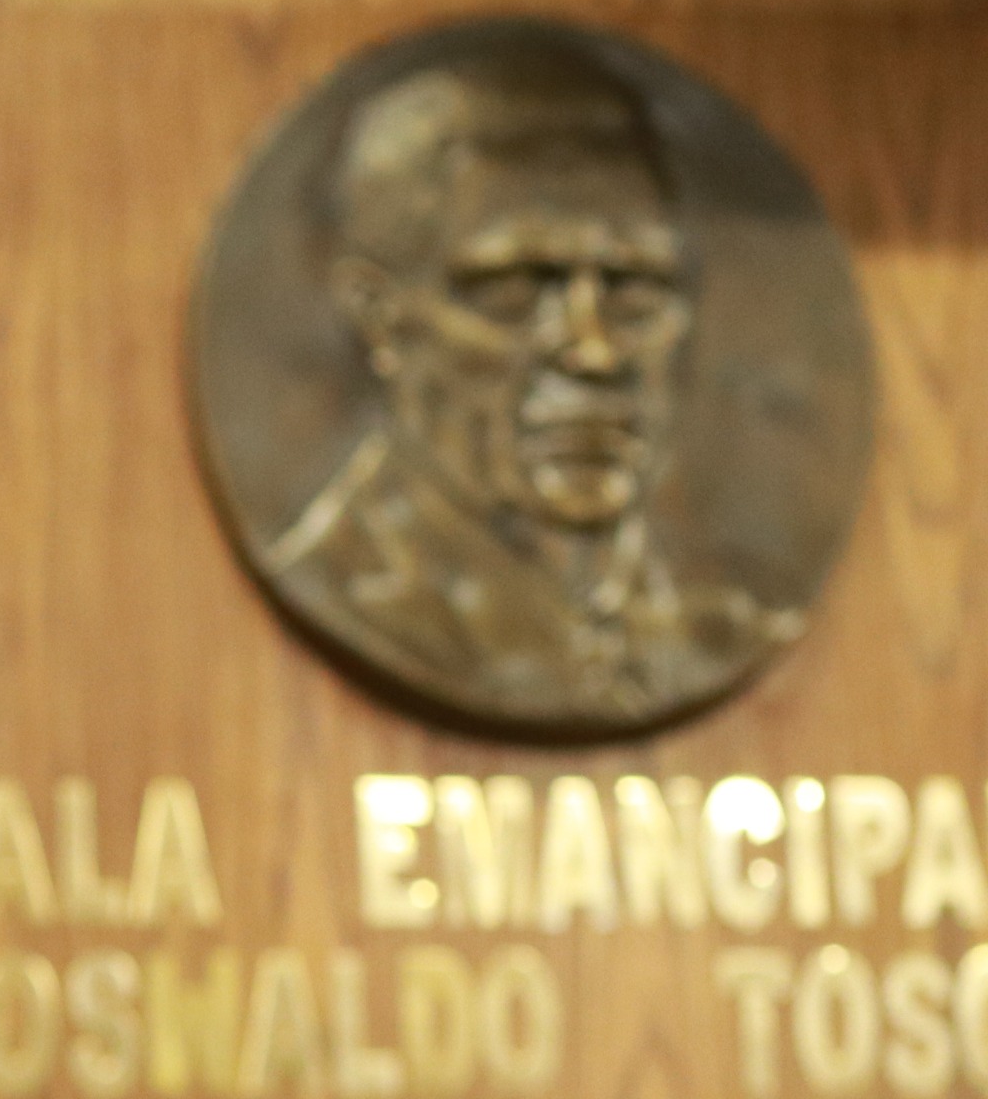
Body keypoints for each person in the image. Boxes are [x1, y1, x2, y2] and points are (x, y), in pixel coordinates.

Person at [259, 39, 787, 730]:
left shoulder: (720, 629)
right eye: (513, 290)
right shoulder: (349, 591)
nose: (594, 350)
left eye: (636, 291)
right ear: (380, 314)